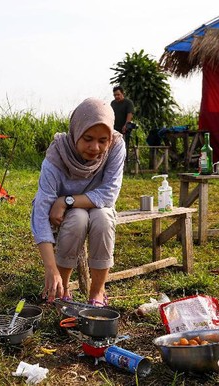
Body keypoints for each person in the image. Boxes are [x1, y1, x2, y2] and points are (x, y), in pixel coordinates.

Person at [30, 98, 125, 306]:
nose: (95, 147)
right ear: (76, 132)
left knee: (103, 219)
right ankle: (60, 287)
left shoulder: (116, 146)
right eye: (88, 138)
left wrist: (66, 200)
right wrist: (50, 267)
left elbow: (108, 194)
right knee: (78, 219)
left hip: (95, 207)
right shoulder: (58, 155)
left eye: (102, 140)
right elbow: (41, 210)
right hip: (65, 215)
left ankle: (97, 292)